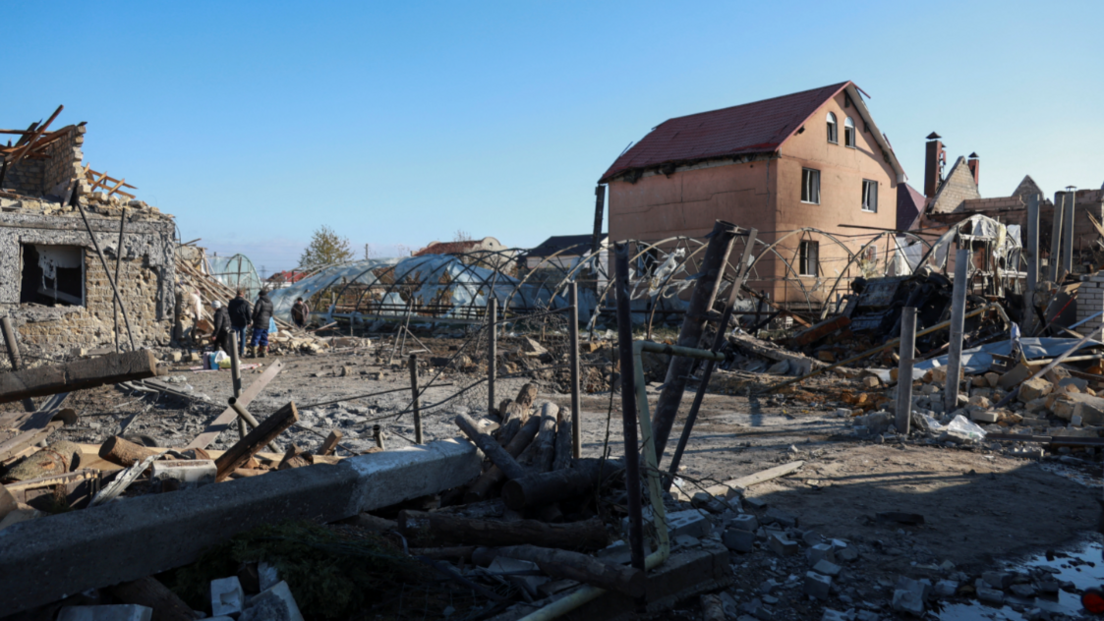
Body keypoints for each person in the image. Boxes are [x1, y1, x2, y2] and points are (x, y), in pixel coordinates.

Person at [249, 289, 274, 358]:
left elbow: (256, 310)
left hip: (259, 322)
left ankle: (254, 353)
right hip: (266, 323)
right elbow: (271, 313)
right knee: (264, 337)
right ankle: (264, 352)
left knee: (256, 337)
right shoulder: (270, 302)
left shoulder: (260, 301)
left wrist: (254, 318)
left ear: (260, 295)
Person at [228, 289, 252, 357]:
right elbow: (248, 313)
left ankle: (234, 352)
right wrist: (249, 321)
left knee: (234, 338)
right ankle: (241, 352)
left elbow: (229, 312)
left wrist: (231, 320)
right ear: (242, 295)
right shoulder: (245, 303)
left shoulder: (231, 302)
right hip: (243, 322)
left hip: (234, 321)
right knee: (243, 337)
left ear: (236, 294)